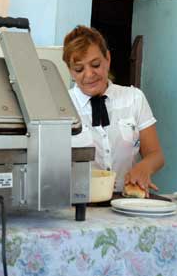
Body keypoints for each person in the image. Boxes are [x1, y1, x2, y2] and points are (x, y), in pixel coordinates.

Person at [62, 25, 164, 195]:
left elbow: (156, 154)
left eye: (95, 65)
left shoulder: (134, 98)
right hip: (78, 203)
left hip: (127, 200)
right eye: (79, 69)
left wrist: (144, 167)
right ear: (70, 71)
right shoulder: (61, 106)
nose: (88, 75)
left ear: (107, 58)